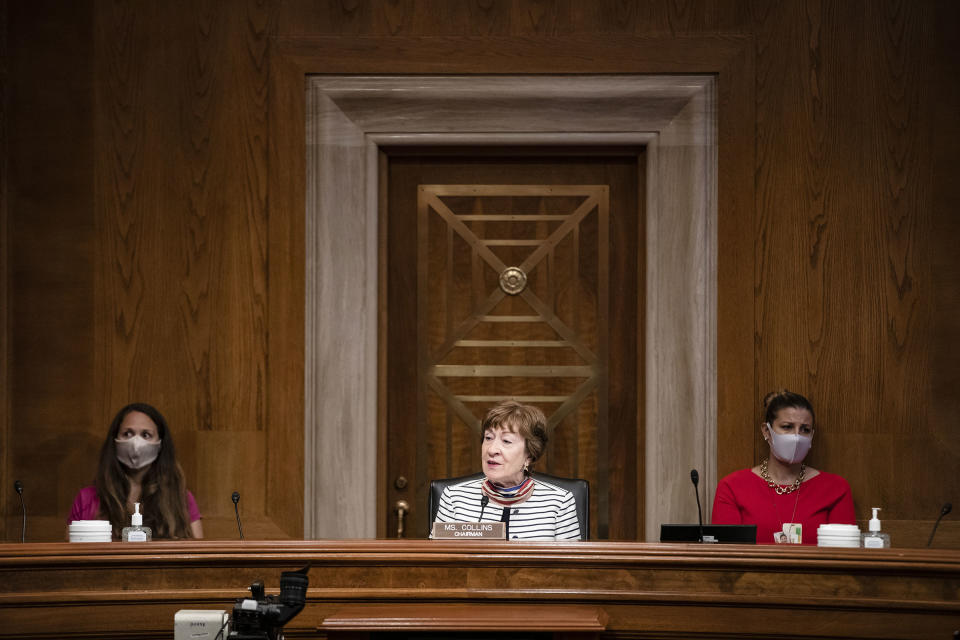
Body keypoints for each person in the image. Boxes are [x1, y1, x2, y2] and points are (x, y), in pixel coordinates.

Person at [711, 390, 855, 545]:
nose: (796, 436)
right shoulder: (733, 487)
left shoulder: (835, 488)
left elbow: (842, 557)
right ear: (767, 431)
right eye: (787, 427)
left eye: (804, 429)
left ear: (812, 436)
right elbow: (726, 556)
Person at [433, 400, 581, 541]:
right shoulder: (454, 498)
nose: (491, 450)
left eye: (506, 441)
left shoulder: (559, 502)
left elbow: (571, 566)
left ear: (529, 454)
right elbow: (436, 563)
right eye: (488, 438)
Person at [69, 402, 203, 539]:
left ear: (160, 444)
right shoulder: (86, 498)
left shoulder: (180, 498)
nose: (136, 443)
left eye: (146, 435)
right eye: (127, 433)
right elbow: (70, 555)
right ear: (115, 440)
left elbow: (198, 553)